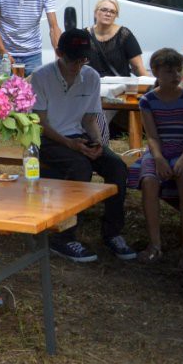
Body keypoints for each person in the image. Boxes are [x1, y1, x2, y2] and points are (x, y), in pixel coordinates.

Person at [30, 29, 135, 262]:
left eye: (83, 59)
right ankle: (63, 238)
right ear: (59, 53)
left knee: (116, 166)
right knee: (79, 167)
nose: (78, 64)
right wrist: (71, 144)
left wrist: (97, 142)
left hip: (78, 135)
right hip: (48, 138)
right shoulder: (41, 76)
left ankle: (112, 233)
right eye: (73, 59)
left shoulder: (91, 76)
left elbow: (89, 118)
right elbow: (41, 123)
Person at [137, 48, 183, 267]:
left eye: (177, 71)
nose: (175, 76)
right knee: (149, 182)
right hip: (159, 151)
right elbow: (152, 135)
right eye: (168, 72)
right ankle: (155, 244)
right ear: (155, 72)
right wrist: (159, 158)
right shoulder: (147, 101)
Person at [86, 0, 146, 77]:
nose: (108, 14)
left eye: (112, 12)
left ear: (116, 16)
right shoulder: (84, 35)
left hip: (120, 87)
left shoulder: (124, 35)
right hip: (93, 86)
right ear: (95, 12)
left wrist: (150, 87)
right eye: (104, 10)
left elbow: (137, 67)